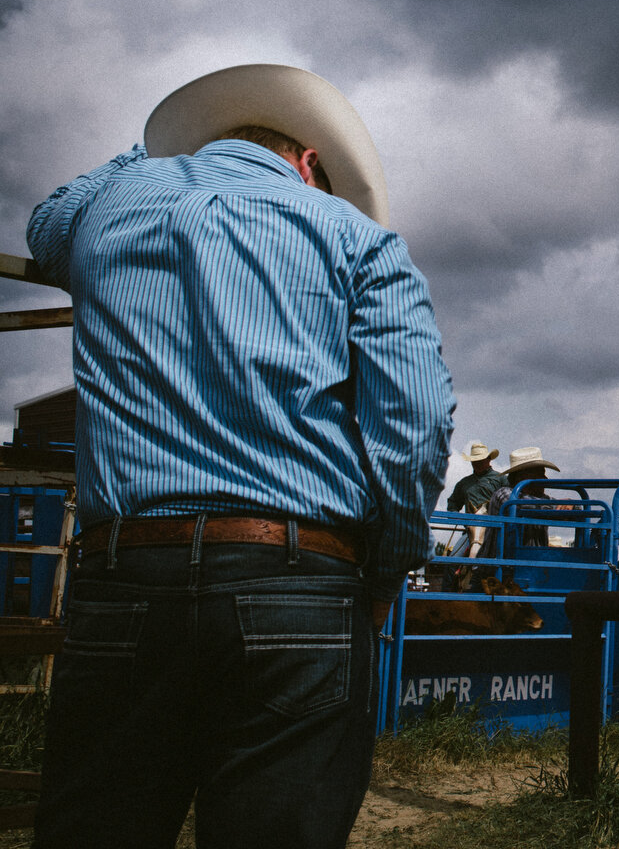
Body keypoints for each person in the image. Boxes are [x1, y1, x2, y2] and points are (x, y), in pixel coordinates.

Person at [27, 64, 456, 849]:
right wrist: (385, 571)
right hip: (297, 579)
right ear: (309, 165)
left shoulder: (108, 209)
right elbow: (414, 425)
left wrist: (150, 151)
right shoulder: (358, 238)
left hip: (125, 571)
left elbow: (45, 223)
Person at [485, 446, 562, 550]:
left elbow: (576, 509)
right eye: (540, 474)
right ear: (521, 477)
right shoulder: (503, 494)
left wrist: (570, 506)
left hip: (532, 561)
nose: (545, 478)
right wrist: (560, 507)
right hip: (499, 562)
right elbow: (523, 505)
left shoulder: (542, 499)